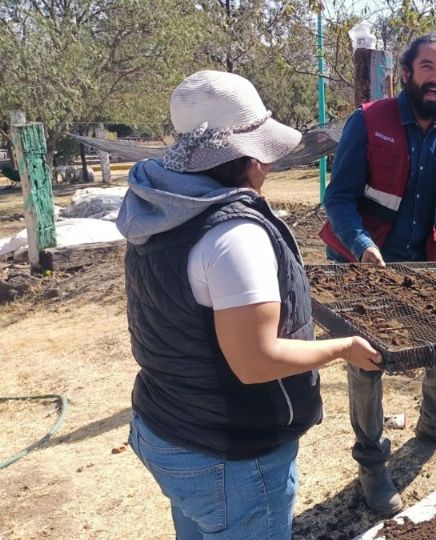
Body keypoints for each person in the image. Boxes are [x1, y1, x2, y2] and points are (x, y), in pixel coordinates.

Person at [117, 70, 382, 539]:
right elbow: (255, 360)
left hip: (167, 428)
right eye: (260, 152)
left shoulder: (160, 208)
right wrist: (341, 348)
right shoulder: (234, 235)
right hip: (229, 455)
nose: (268, 166)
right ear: (240, 156)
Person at [319, 34, 436, 515]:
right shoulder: (370, 121)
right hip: (361, 262)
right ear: (405, 74)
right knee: (367, 362)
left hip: (419, 261)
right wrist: (362, 246)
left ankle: (434, 423)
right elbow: (339, 198)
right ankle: (371, 461)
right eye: (427, 67)